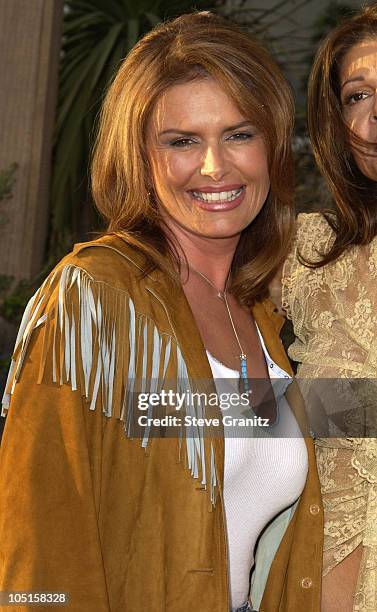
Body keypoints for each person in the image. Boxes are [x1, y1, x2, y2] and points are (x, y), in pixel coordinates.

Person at [0, 12, 323, 612]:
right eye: (182, 141)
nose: (214, 167)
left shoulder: (268, 317)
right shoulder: (94, 299)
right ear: (140, 158)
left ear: (273, 146)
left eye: (239, 134)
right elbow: (37, 550)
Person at [281, 4, 377, 611]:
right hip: (326, 573)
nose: (372, 117)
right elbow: (185, 405)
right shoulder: (301, 253)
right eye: (355, 95)